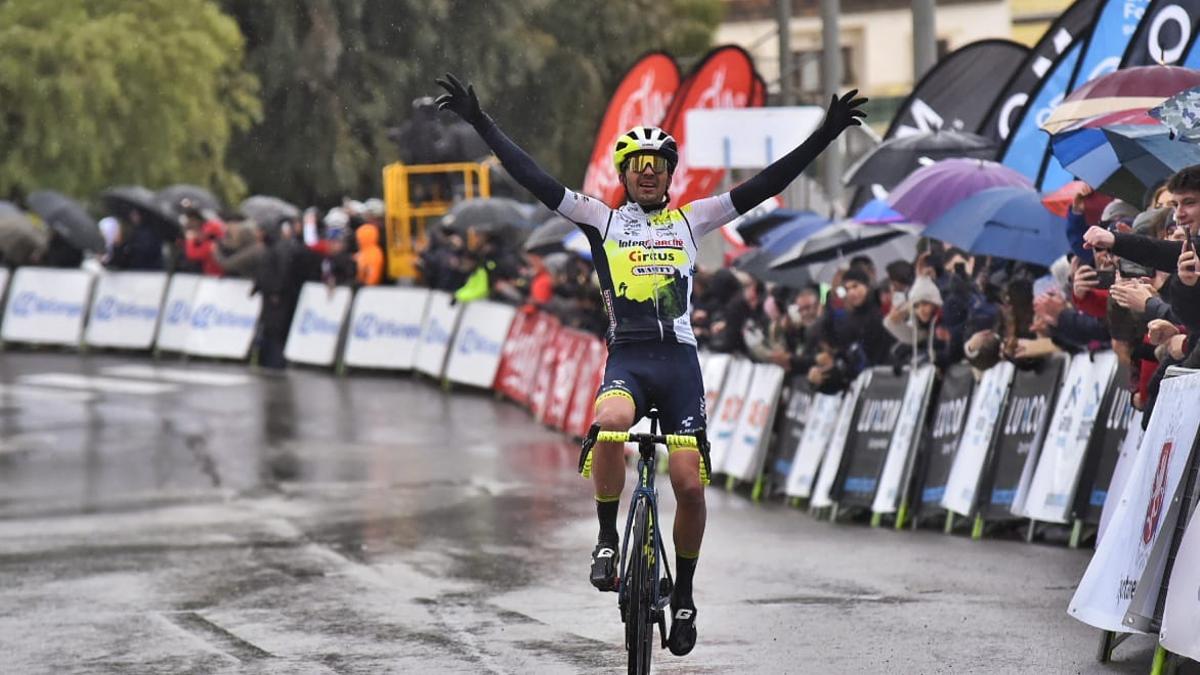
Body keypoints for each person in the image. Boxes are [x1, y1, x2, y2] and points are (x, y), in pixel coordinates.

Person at [435, 72, 864, 656]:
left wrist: (823, 136)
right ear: (625, 173)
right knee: (610, 420)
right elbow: (534, 178)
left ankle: (683, 593)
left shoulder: (692, 220)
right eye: (637, 163)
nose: (647, 171)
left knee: (689, 485)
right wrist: (481, 122)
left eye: (657, 164)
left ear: (669, 175)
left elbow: (766, 184)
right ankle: (609, 539)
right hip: (630, 361)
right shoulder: (600, 220)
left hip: (681, 367)